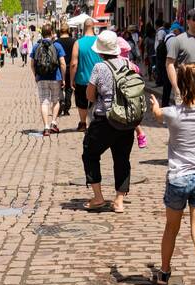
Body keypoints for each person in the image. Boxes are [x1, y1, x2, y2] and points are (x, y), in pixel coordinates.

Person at [149, 62, 195, 285]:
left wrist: (157, 106)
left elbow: (158, 115)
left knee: (171, 228)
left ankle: (164, 272)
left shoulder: (172, 114)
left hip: (178, 178)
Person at [82, 29, 135, 212]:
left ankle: (98, 197)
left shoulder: (99, 68)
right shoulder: (128, 63)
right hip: (127, 120)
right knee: (122, 159)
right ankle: (119, 201)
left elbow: (89, 94)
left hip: (105, 120)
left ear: (100, 51)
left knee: (90, 153)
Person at [32, 24, 66, 135]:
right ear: (52, 33)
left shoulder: (36, 46)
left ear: (41, 33)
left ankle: (46, 127)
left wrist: (36, 76)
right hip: (55, 77)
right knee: (55, 101)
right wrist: (63, 78)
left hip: (41, 77)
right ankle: (53, 123)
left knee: (44, 102)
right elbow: (63, 63)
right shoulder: (57, 46)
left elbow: (32, 64)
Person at [71, 18, 100, 130]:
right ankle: (96, 121)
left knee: (82, 101)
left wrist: (72, 79)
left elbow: (74, 63)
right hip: (98, 78)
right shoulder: (99, 41)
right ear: (93, 27)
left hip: (82, 78)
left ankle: (83, 123)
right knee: (97, 100)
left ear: (83, 27)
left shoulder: (78, 43)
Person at [58, 23, 76, 117]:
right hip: (70, 68)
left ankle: (61, 102)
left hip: (60, 68)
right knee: (69, 88)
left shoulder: (56, 42)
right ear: (68, 31)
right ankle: (67, 108)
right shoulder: (74, 41)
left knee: (60, 87)